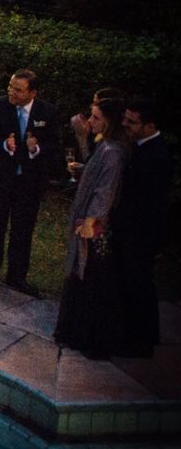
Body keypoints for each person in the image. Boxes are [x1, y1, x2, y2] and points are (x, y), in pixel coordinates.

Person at [55, 92, 129, 359]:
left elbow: (105, 191)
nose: (91, 121)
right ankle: (74, 332)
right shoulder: (106, 145)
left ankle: (90, 338)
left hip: (94, 229)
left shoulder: (114, 153)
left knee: (90, 279)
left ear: (109, 121)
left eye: (96, 118)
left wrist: (90, 222)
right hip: (86, 221)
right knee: (80, 275)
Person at [0, 68, 57, 297]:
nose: (12, 92)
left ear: (32, 93)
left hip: (29, 183)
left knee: (23, 231)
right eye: (11, 86)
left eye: (18, 90)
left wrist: (35, 149)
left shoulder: (47, 112)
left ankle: (17, 276)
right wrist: (4, 144)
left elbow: (54, 146)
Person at [115, 98, 171, 357]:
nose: (125, 124)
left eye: (131, 121)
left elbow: (147, 201)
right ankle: (133, 332)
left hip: (141, 232)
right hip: (132, 229)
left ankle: (143, 339)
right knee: (131, 281)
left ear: (150, 125)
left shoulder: (156, 154)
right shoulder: (140, 146)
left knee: (140, 283)